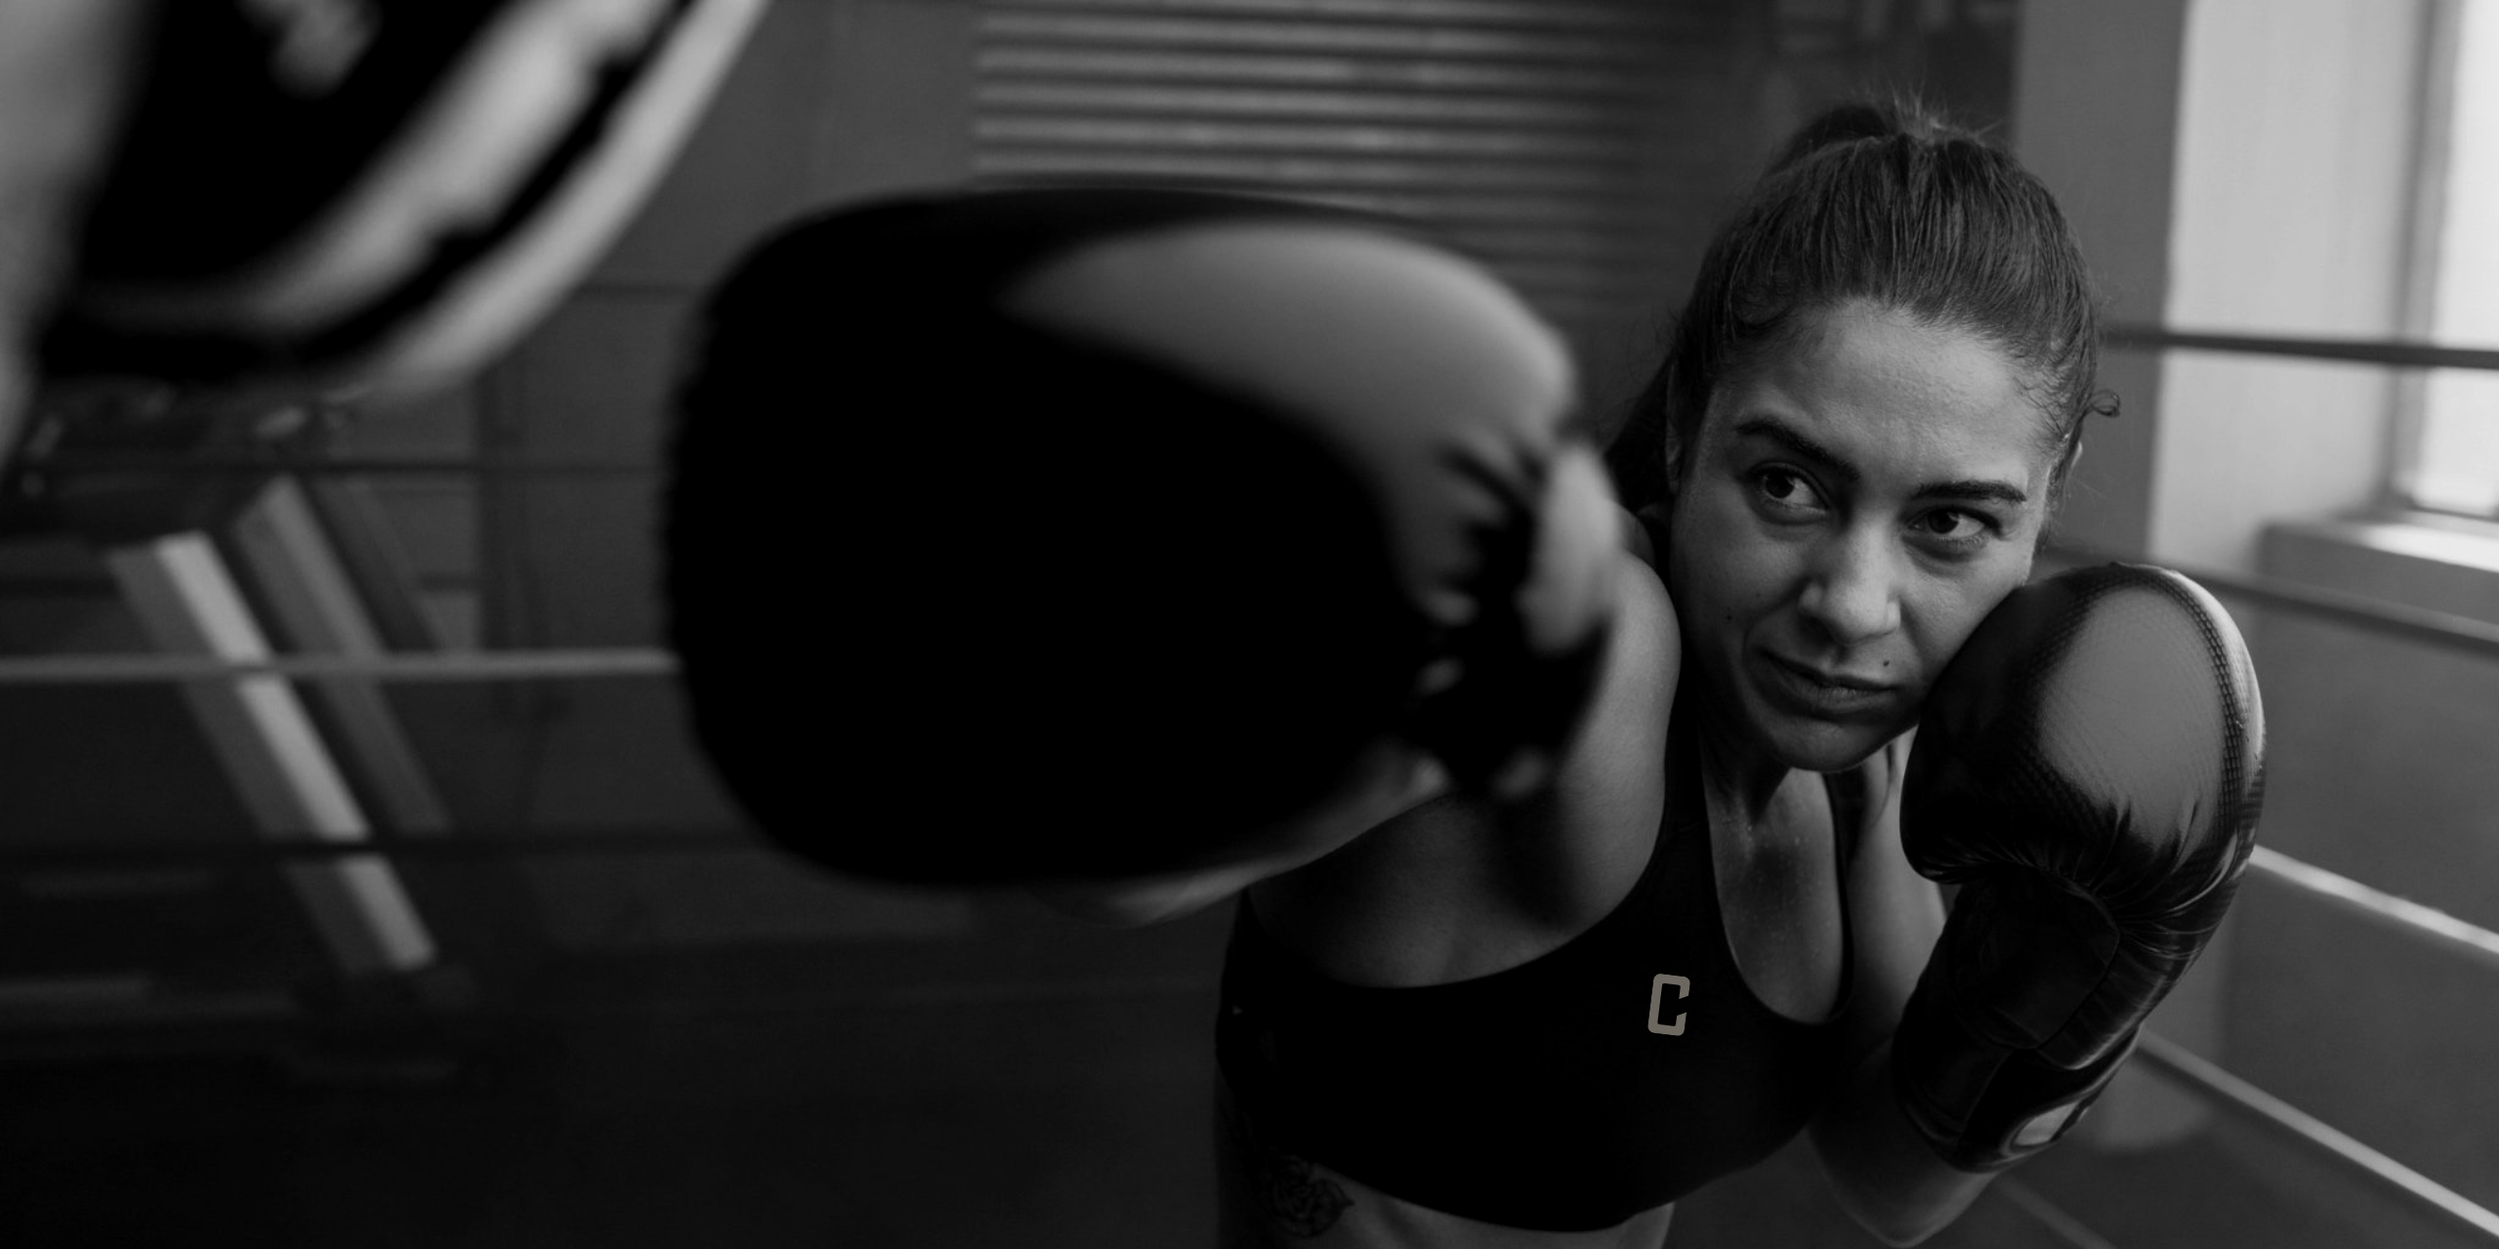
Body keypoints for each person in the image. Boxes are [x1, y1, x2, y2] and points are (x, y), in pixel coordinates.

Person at [670, 102, 2262, 1249]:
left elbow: (1888, 1180)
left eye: (1948, 525)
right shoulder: (1589, 647)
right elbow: (1106, 873)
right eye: (1786, 484)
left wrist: (2069, 986)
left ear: (2041, 516)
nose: (1851, 605)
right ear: (1689, 428)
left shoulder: (1869, 771)